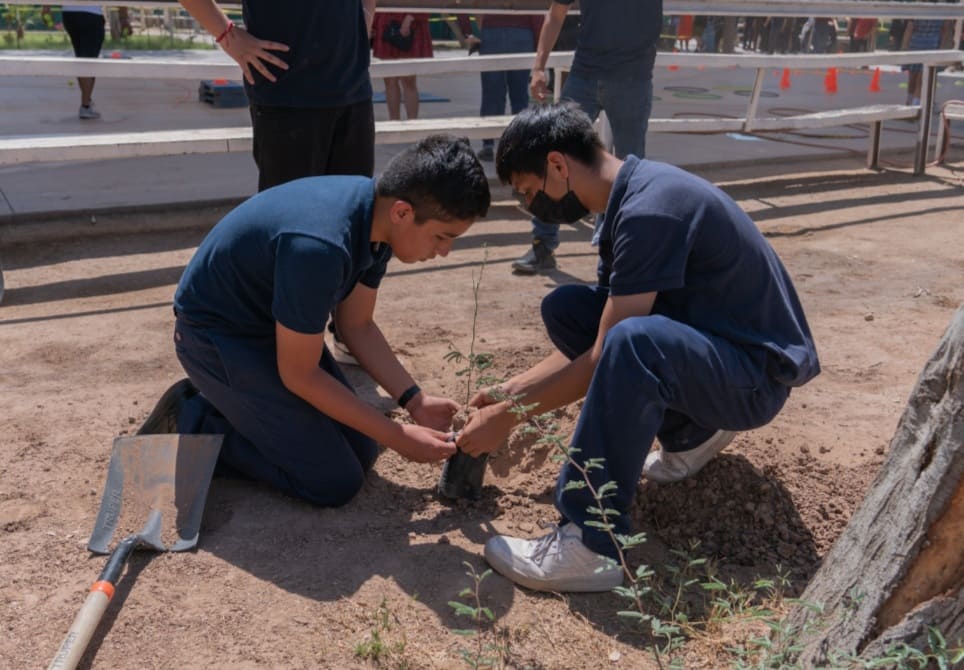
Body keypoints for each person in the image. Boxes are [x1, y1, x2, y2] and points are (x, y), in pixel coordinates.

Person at [454, 105, 820, 592]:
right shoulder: (629, 198)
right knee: (568, 310)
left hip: (751, 379)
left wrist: (510, 417)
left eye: (529, 190)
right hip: (719, 352)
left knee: (632, 342)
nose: (530, 206)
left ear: (558, 165)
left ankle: (591, 542)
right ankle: (693, 433)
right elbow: (600, 334)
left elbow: (610, 353)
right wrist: (512, 391)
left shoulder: (650, 210)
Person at [138, 136, 490, 507]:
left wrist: (415, 401)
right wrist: (400, 436)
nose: (445, 251)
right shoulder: (320, 246)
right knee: (332, 481)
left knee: (363, 449)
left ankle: (244, 408)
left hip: (273, 330)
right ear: (403, 212)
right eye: (442, 236)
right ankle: (196, 418)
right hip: (216, 338)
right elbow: (299, 375)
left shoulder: (379, 220)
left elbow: (357, 326)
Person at [511, 0, 662, 276]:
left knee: (631, 170)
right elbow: (556, 14)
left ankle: (626, 253)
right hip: (586, 72)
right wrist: (538, 67)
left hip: (633, 78)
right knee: (553, 153)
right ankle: (542, 243)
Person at [177, 0, 377, 192]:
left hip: (354, 92)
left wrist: (363, 23)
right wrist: (227, 34)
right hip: (287, 97)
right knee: (291, 218)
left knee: (352, 215)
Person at [458, 13, 543, 162]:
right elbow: (537, 14)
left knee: (492, 94)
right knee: (519, 95)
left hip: (492, 32)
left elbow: (458, 4)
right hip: (523, 33)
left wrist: (467, 32)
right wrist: (539, 44)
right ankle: (520, 143)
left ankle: (488, 145)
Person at [372, 12, 434, 120]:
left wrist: (412, 16)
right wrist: (372, 23)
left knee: (409, 81)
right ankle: (394, 124)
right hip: (386, 23)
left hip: (412, 26)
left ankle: (412, 125)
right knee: (389, 81)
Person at [61, 5, 106, 120]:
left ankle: (87, 101)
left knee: (81, 57)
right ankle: (85, 106)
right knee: (89, 62)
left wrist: (46, 7)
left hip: (69, 13)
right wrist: (123, 16)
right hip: (91, 13)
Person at [900, 17, 948, 106]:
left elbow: (909, 29)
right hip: (931, 45)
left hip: (915, 43)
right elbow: (944, 31)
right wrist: (941, 47)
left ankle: (909, 102)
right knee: (921, 80)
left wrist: (904, 47)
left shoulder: (917, 11)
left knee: (912, 77)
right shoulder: (940, 13)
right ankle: (915, 105)